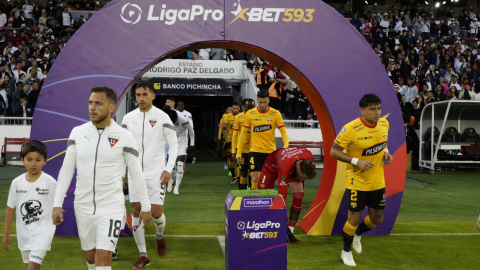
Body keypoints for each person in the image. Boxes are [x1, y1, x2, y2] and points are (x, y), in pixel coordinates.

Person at [52, 87, 152, 270]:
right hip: (82, 205)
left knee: (103, 256)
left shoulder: (125, 136)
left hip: (111, 206)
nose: (92, 107)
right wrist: (57, 203)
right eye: (90, 102)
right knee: (91, 257)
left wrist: (145, 206)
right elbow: (67, 169)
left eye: (98, 103)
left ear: (111, 107)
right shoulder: (77, 133)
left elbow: (136, 172)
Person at [330, 94, 393, 267]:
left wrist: (386, 152)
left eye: (379, 108)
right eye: (372, 109)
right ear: (362, 110)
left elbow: (382, 141)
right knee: (354, 218)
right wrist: (356, 161)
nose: (377, 112)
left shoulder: (384, 124)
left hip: (377, 181)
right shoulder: (350, 129)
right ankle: (346, 252)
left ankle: (358, 234)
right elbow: (333, 152)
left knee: (377, 219)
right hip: (356, 181)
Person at [121, 81, 178, 268]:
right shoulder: (128, 118)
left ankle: (160, 237)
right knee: (136, 210)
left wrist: (168, 169)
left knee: (155, 213)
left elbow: (174, 143)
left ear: (153, 96)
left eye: (144, 94)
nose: (141, 98)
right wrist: (122, 173)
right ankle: (143, 254)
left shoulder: (162, 117)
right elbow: (123, 148)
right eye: (138, 95)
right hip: (135, 172)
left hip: (156, 172)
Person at [3, 141, 56, 270]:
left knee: (32, 266)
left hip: (44, 231)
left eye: (38, 160)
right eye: (29, 159)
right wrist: (6, 234)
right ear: (22, 160)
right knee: (31, 266)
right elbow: (10, 209)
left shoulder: (51, 182)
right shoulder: (16, 183)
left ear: (45, 161)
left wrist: (58, 216)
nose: (33, 163)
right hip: (24, 233)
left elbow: (58, 206)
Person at [258, 147, 317, 244]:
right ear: (299, 169)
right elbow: (282, 194)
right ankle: (264, 224)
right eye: (303, 177)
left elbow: (303, 173)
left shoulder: (309, 158)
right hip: (272, 166)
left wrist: (288, 231)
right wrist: (283, 217)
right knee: (263, 195)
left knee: (299, 194)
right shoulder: (284, 166)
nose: (303, 179)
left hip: (292, 169)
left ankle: (290, 231)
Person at [236, 90, 289, 190]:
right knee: (255, 177)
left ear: (268, 100)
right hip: (255, 151)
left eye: (265, 102)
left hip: (270, 152)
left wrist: (286, 146)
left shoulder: (275, 113)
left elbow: (283, 132)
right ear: (257, 101)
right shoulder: (250, 113)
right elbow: (243, 133)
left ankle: (267, 202)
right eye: (260, 102)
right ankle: (254, 201)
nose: (263, 105)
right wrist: (238, 152)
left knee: (267, 179)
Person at [165, 97, 195, 195]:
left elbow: (191, 130)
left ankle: (176, 188)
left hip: (182, 141)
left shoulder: (182, 118)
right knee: (172, 165)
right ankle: (170, 183)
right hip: (171, 141)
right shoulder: (165, 117)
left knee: (180, 164)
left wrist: (192, 143)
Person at [232, 98, 256, 190]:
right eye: (247, 108)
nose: (250, 110)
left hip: (254, 149)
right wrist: (234, 151)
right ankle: (242, 193)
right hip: (242, 150)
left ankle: (251, 191)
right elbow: (234, 136)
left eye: (252, 108)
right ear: (243, 107)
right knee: (243, 172)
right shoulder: (238, 117)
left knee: (253, 172)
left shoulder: (257, 117)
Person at [222, 102, 240, 184]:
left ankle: (240, 176)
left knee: (239, 159)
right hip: (230, 140)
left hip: (239, 141)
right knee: (230, 158)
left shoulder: (242, 116)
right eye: (234, 108)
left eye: (237, 108)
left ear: (239, 108)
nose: (235, 110)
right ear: (231, 108)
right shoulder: (227, 117)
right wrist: (225, 138)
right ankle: (233, 177)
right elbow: (224, 128)